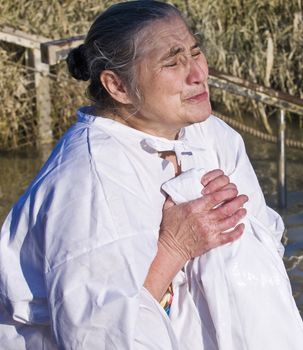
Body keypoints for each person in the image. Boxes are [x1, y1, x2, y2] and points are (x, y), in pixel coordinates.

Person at [0, 1, 302, 349]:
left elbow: (266, 240)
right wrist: (174, 248)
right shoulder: (88, 183)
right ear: (118, 87)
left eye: (195, 52)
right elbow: (100, 338)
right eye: (172, 62)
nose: (198, 73)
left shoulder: (209, 135)